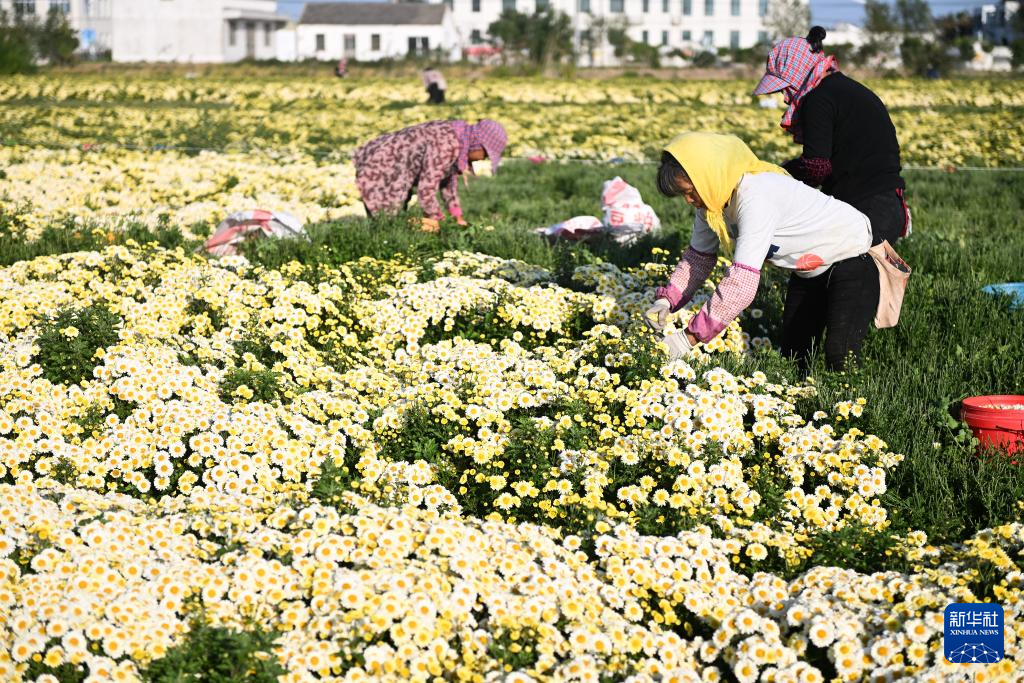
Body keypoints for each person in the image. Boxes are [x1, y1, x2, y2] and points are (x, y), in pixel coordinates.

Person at [645, 132, 878, 372]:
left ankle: (853, 401)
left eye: (690, 191)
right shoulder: (712, 203)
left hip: (852, 256)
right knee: (793, 358)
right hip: (809, 269)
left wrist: (688, 339)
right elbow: (698, 259)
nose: (688, 200)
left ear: (707, 177)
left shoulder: (755, 196)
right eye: (683, 194)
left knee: (841, 354)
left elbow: (741, 284)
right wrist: (666, 301)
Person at [754, 27, 910, 247]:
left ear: (796, 75)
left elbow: (817, 167)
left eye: (784, 88)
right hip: (886, 205)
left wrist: (778, 176)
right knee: (812, 280)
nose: (784, 97)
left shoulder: (818, 99)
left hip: (865, 210)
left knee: (842, 278)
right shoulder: (844, 89)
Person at [353, 119, 507, 233]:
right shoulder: (447, 143)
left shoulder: (459, 137)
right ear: (478, 144)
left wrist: (456, 215)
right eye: (486, 154)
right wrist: (438, 221)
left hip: (394, 171)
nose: (483, 158)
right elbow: (426, 189)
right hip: (380, 171)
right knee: (386, 226)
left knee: (395, 224)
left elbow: (447, 180)